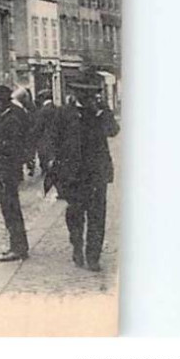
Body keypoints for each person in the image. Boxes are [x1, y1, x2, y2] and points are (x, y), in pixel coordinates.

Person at [50, 74, 120, 272]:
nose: (87, 96)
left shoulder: (100, 113)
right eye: (83, 92)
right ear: (76, 92)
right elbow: (54, 140)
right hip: (74, 176)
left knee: (97, 216)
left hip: (97, 174)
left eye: (91, 93)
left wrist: (101, 112)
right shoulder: (64, 113)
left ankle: (93, 257)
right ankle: (77, 246)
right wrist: (56, 167)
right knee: (75, 214)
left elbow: (113, 130)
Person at [0, 85, 30, 262]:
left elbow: (15, 146)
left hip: (7, 170)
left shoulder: (13, 118)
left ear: (1, 100)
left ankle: (18, 248)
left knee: (11, 210)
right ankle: (17, 245)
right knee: (10, 210)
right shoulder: (8, 114)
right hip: (3, 170)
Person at [31, 88, 60, 175]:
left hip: (45, 138)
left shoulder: (42, 111)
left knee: (44, 156)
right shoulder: (57, 109)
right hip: (56, 137)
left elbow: (39, 127)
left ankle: (46, 172)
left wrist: (32, 136)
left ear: (42, 99)